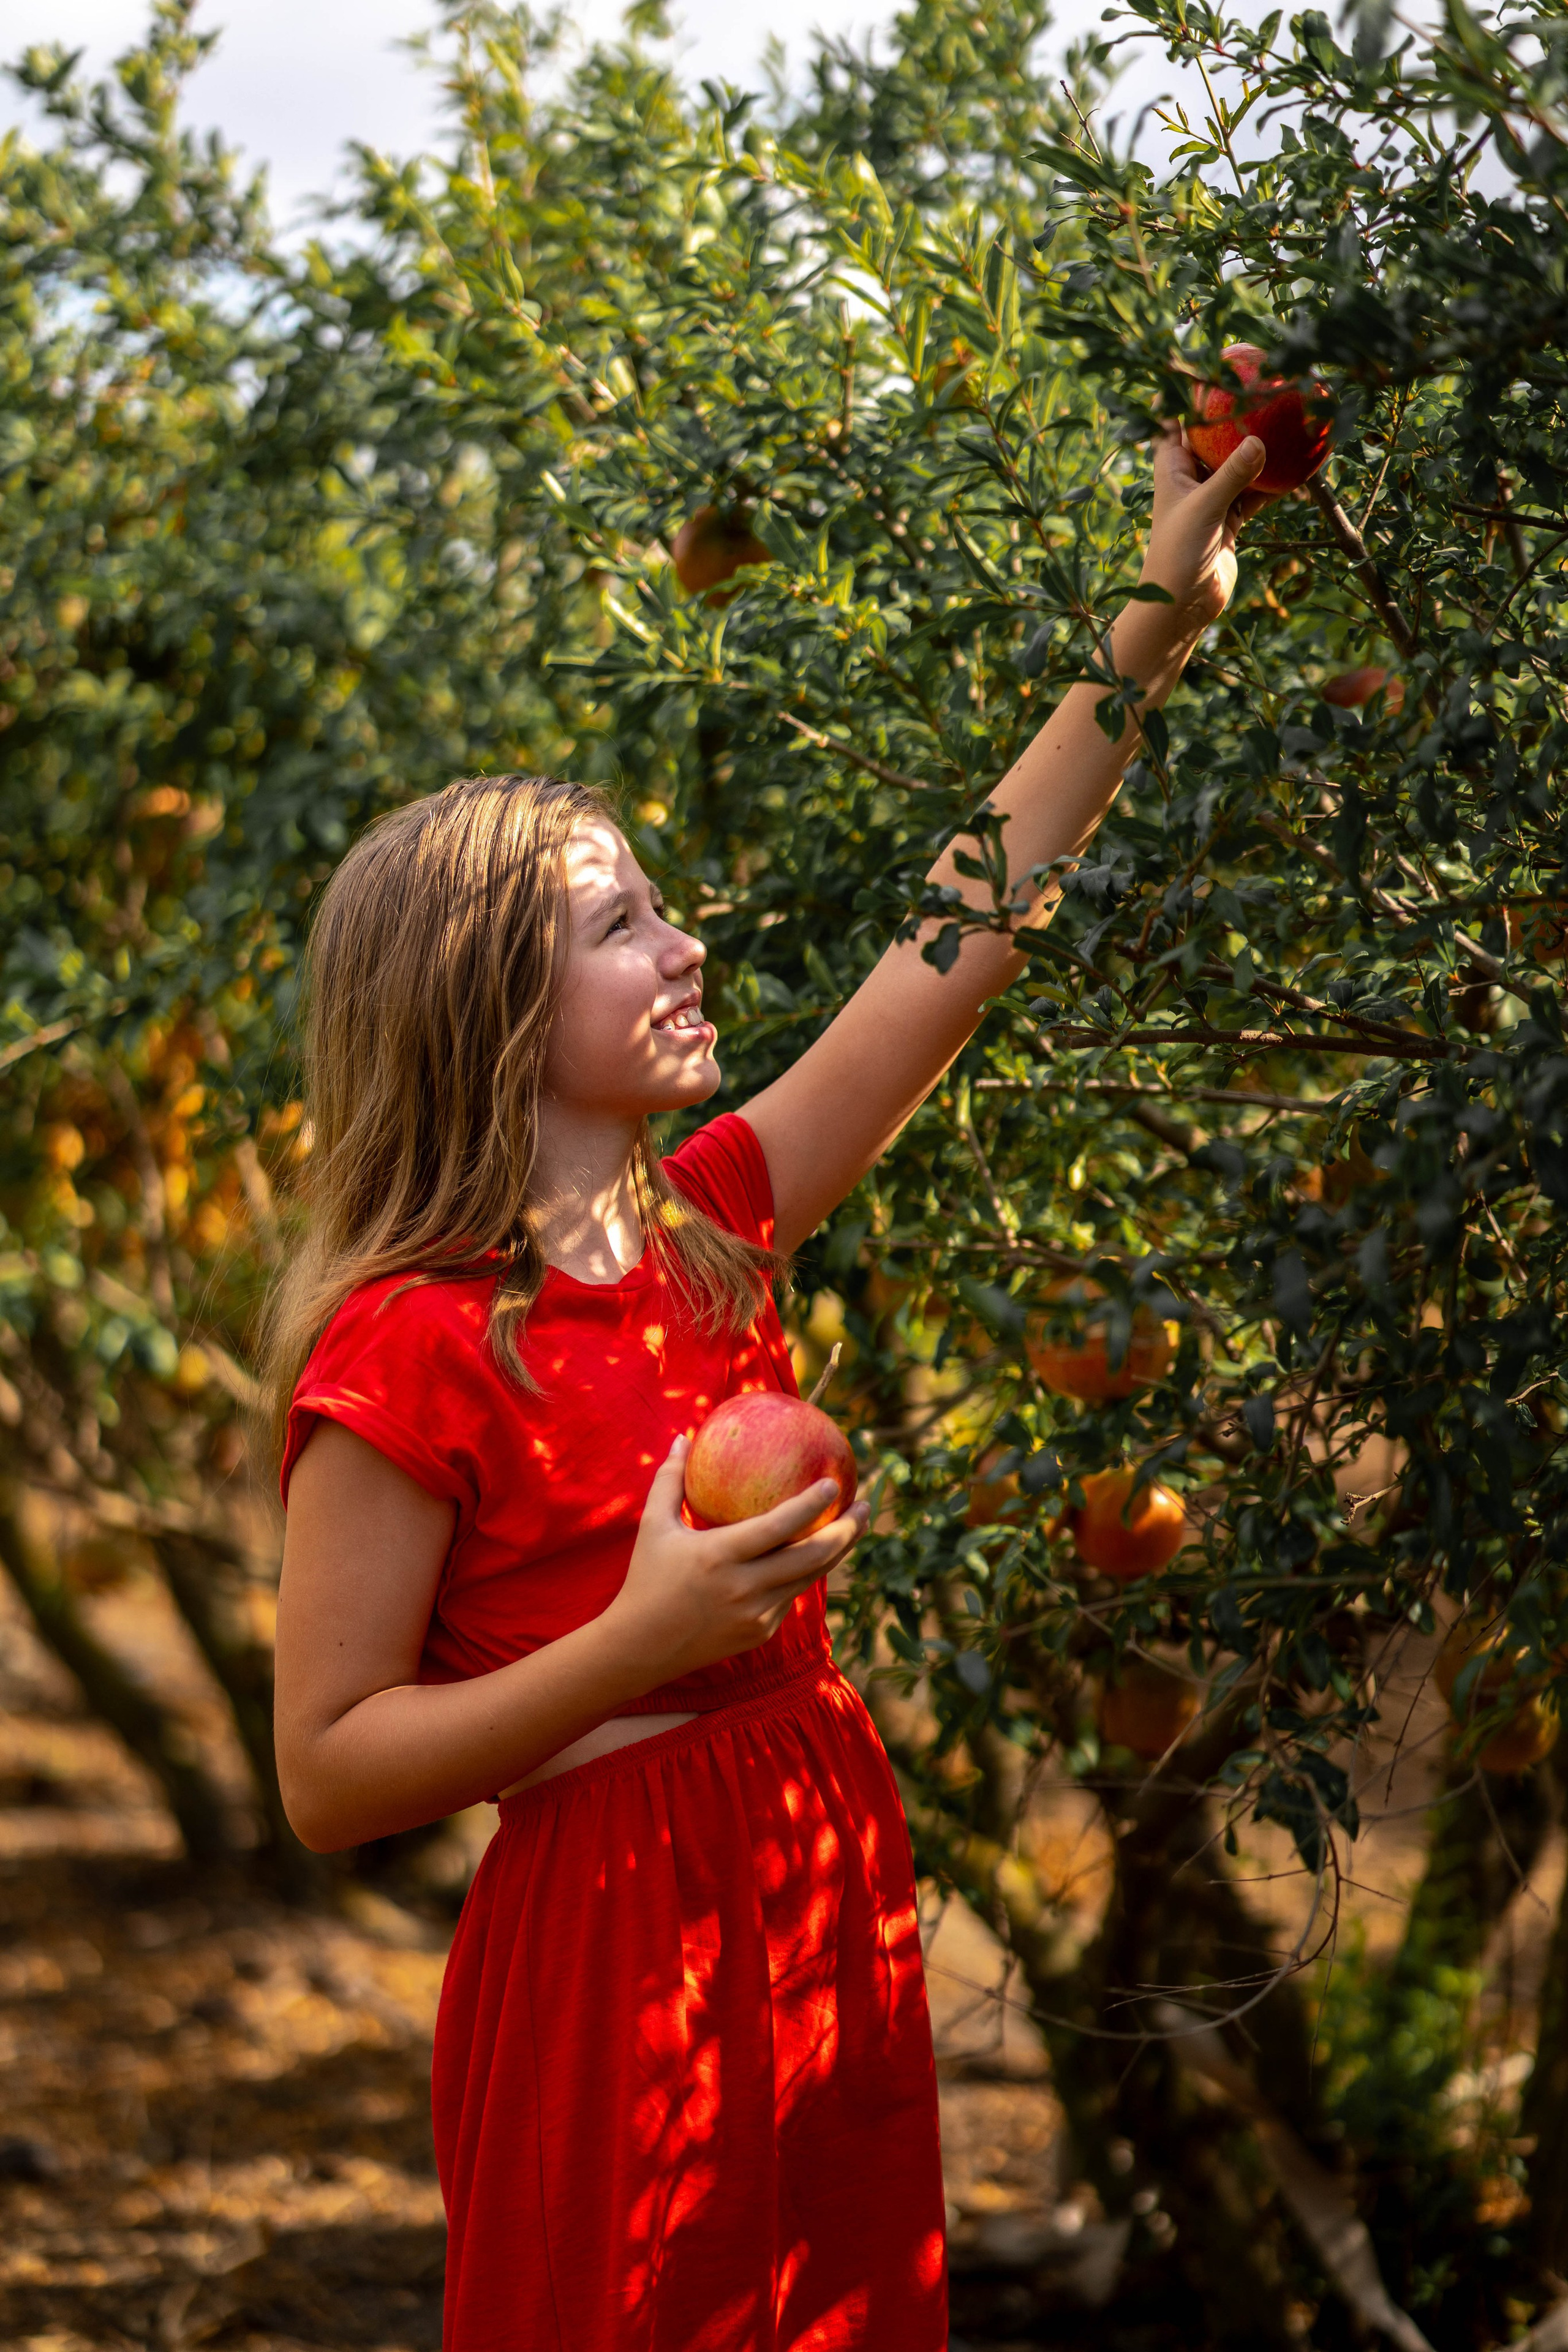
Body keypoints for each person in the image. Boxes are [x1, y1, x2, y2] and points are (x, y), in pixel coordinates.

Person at [269, 426, 1267, 2352]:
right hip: (610, 1931)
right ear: (488, 1007)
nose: (690, 939)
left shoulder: (716, 1222)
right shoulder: (408, 1346)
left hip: (814, 1861)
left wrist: (1153, 626)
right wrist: (641, 1640)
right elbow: (324, 1774)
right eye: (624, 922)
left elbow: (957, 945)